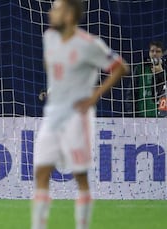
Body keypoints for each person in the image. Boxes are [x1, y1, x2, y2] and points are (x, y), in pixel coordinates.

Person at [32, 1, 129, 229]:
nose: (50, 12)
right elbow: (51, 64)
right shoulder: (49, 38)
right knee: (41, 171)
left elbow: (120, 67)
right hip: (53, 114)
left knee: (80, 176)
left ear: (69, 15)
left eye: (55, 8)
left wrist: (95, 95)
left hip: (77, 117)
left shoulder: (89, 44)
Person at [132, 41, 166, 117]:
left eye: (158, 51)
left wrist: (160, 73)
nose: (154, 54)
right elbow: (132, 93)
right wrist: (132, 114)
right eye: (152, 51)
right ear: (149, 52)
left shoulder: (165, 69)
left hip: (162, 115)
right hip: (142, 115)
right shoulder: (140, 68)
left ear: (162, 54)